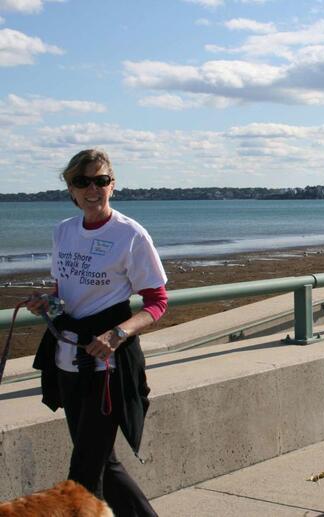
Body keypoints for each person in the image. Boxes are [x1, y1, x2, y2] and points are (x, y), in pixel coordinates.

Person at [26, 149, 168, 516]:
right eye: (82, 181)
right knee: (104, 464)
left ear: (113, 185)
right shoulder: (63, 232)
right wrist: (47, 300)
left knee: (83, 475)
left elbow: (157, 302)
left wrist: (118, 334)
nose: (93, 189)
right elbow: (65, 293)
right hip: (68, 363)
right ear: (70, 188)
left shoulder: (130, 235)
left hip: (109, 368)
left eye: (101, 180)